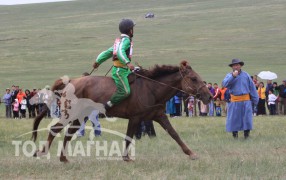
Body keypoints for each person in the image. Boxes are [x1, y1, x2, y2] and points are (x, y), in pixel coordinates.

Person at [93, 19, 136, 109]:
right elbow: (120, 51)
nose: (133, 30)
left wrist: (98, 61)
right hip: (120, 71)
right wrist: (127, 63)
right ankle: (108, 106)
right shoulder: (126, 41)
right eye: (132, 28)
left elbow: (108, 52)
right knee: (125, 91)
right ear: (130, 30)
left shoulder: (120, 41)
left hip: (125, 70)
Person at [222, 59, 259, 139]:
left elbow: (252, 87)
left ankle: (246, 135)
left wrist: (255, 99)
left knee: (247, 118)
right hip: (235, 100)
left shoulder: (246, 75)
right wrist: (233, 76)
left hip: (246, 100)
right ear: (232, 67)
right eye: (234, 65)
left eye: (237, 65)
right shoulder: (229, 75)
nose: (236, 66)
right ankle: (235, 135)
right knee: (234, 118)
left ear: (240, 66)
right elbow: (224, 84)